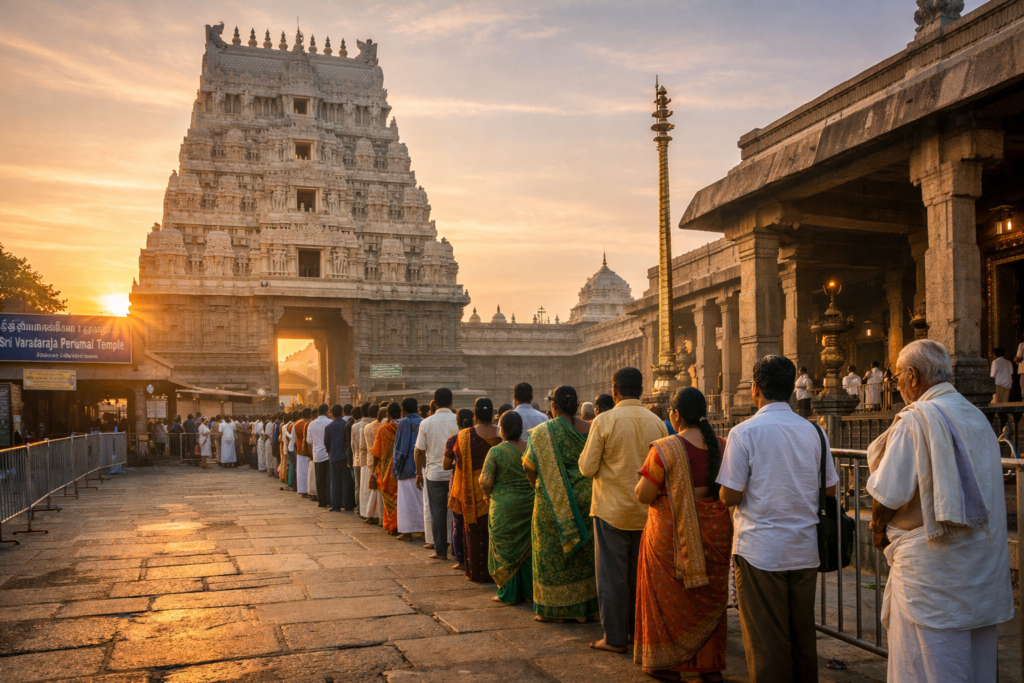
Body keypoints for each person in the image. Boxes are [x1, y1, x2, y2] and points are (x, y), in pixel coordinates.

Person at [867, 340, 1013, 683]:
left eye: (899, 376)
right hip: (978, 565)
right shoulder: (975, 416)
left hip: (932, 571)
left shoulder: (916, 419)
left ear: (914, 376)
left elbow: (887, 494)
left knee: (928, 663)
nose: (898, 383)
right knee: (974, 662)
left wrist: (876, 529)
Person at [717, 355, 838, 683]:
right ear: (790, 389)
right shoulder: (814, 431)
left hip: (761, 551)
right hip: (804, 548)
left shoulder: (744, 433)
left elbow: (729, 496)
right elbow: (829, 489)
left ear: (755, 389)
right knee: (802, 638)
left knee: (767, 641)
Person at [634, 387, 731, 682]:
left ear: (675, 415)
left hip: (670, 537)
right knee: (709, 598)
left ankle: (665, 663)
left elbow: (644, 494)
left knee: (667, 598)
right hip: (716, 532)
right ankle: (709, 665)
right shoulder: (723, 445)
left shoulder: (665, 448)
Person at [580, 367, 668, 653]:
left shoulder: (604, 420)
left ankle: (614, 637)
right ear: (641, 390)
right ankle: (635, 632)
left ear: (615, 390)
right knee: (637, 576)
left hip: (611, 511)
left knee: (611, 576)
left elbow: (587, 467)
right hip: (646, 513)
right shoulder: (657, 422)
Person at [523, 385, 599, 622]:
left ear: (553, 405)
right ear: (576, 405)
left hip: (551, 501)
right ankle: (585, 610)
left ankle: (552, 609)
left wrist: (538, 483)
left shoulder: (542, 432)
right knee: (585, 559)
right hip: (588, 500)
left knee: (550, 552)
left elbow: (529, 467)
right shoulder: (591, 428)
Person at [480, 410, 533, 605]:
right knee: (528, 549)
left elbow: (485, 481)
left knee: (504, 551)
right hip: (529, 504)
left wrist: (487, 496)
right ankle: (529, 592)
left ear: (502, 430)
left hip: (503, 507)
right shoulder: (530, 447)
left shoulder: (496, 451)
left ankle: (508, 593)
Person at [445, 397, 501, 582]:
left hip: (471, 493)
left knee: (476, 533)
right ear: (493, 414)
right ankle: (499, 572)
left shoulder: (463, 435)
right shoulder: (502, 433)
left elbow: (457, 464)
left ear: (475, 415)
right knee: (496, 532)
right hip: (497, 490)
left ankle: (478, 572)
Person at [415, 388, 459, 560]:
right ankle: (457, 549)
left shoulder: (426, 422)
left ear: (433, 403)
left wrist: (419, 472)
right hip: (455, 473)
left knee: (438, 512)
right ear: (451, 403)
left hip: (434, 474)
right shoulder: (458, 420)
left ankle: (440, 550)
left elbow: (419, 451)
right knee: (457, 512)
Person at [446, 409, 475, 570]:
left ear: (457, 423)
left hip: (458, 483)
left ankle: (461, 560)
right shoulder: (483, 437)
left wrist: (459, 464)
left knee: (458, 522)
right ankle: (477, 557)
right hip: (477, 484)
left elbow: (445, 465)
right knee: (476, 521)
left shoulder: (454, 439)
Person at [394, 397, 424, 542]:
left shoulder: (404, 422)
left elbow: (400, 446)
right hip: (422, 467)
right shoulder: (424, 421)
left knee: (406, 501)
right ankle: (425, 531)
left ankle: (407, 532)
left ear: (403, 409)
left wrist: (396, 466)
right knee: (421, 500)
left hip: (406, 467)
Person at [372, 402, 402, 534]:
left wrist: (374, 468)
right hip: (401, 467)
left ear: (388, 414)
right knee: (401, 498)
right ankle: (401, 525)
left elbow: (376, 452)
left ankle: (392, 525)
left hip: (385, 470)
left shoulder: (383, 429)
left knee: (389, 498)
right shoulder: (404, 428)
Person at [359, 405, 382, 524]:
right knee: (376, 490)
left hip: (369, 459)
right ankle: (376, 514)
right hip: (380, 460)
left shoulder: (367, 427)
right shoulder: (384, 427)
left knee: (370, 488)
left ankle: (369, 513)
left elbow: (362, 446)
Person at [307, 404, 332, 508]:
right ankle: (330, 500)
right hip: (329, 454)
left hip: (317, 454)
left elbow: (309, 440)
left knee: (319, 479)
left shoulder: (312, 424)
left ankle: (321, 501)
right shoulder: (330, 422)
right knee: (329, 479)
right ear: (327, 412)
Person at [295, 408, 312, 497]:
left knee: (301, 472)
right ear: (309, 414)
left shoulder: (297, 424)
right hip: (306, 450)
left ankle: (302, 490)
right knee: (307, 471)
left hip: (299, 449)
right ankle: (308, 490)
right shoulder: (307, 424)